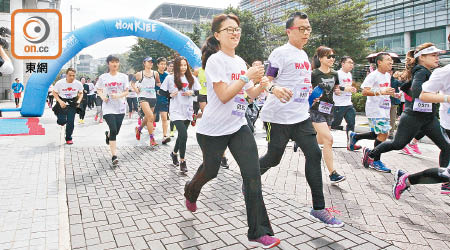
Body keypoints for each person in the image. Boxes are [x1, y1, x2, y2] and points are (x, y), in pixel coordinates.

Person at [184, 14, 281, 248]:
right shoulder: (215, 61)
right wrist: (248, 76)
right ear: (217, 35)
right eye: (229, 30)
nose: (235, 33)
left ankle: (259, 231)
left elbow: (248, 95)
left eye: (237, 29)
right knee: (211, 171)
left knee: (252, 174)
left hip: (238, 127)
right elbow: (225, 96)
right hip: (212, 131)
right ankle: (191, 190)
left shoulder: (239, 61)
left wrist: (262, 86)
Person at [259, 12, 344, 227]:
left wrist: (311, 96)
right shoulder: (280, 53)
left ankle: (318, 208)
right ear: (289, 31)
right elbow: (264, 79)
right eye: (302, 29)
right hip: (276, 118)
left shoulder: (304, 57)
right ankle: (250, 177)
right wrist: (274, 88)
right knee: (274, 158)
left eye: (308, 29)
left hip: (300, 117)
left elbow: (301, 87)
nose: (306, 32)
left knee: (314, 154)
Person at [361, 44, 450, 173]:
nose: (437, 58)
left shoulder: (424, 71)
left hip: (428, 118)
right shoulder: (421, 71)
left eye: (437, 55)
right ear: (422, 58)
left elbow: (407, 87)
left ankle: (445, 180)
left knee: (447, 147)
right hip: (413, 117)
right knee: (397, 144)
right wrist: (443, 97)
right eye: (433, 55)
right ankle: (371, 153)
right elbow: (418, 93)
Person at [309, 46, 356, 184]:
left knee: (321, 140)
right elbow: (307, 89)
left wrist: (343, 89)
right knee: (329, 139)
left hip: (329, 109)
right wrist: (312, 96)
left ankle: (302, 141)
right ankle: (332, 173)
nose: (332, 59)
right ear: (320, 58)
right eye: (329, 56)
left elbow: (335, 88)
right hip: (315, 110)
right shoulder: (314, 74)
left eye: (333, 56)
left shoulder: (334, 74)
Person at [347, 53, 397, 172]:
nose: (391, 62)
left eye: (391, 61)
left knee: (379, 134)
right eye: (388, 60)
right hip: (375, 109)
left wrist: (392, 94)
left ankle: (356, 136)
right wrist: (381, 91)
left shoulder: (387, 76)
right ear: (379, 62)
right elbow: (365, 91)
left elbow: (384, 91)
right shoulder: (374, 75)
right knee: (383, 133)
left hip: (384, 108)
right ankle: (375, 160)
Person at [161, 56, 200, 172]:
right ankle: (183, 161)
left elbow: (197, 91)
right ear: (176, 66)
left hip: (187, 110)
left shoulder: (191, 78)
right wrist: (170, 95)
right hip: (175, 110)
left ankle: (174, 153)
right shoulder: (170, 78)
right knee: (184, 134)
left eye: (185, 65)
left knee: (182, 136)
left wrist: (191, 92)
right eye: (180, 65)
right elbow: (162, 91)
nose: (183, 67)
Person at [96, 55, 129, 166]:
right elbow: (99, 89)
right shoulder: (103, 77)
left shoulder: (123, 77)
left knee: (115, 131)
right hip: (108, 107)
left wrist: (118, 95)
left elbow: (126, 92)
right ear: (108, 64)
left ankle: (108, 134)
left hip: (120, 107)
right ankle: (114, 156)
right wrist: (102, 97)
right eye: (112, 62)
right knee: (114, 129)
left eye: (116, 62)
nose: (115, 64)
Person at [330, 56, 362, 151]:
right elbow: (332, 87)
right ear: (342, 64)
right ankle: (314, 133)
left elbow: (347, 87)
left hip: (348, 103)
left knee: (351, 123)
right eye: (349, 62)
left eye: (352, 63)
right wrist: (344, 89)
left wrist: (352, 89)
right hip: (338, 104)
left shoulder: (349, 75)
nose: (351, 65)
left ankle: (351, 144)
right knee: (334, 124)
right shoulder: (337, 74)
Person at [133, 57, 160, 146]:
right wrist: (136, 89)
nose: (151, 63)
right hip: (143, 97)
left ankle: (139, 129)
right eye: (148, 62)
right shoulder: (139, 74)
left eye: (152, 62)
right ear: (144, 63)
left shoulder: (155, 73)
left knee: (148, 118)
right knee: (151, 117)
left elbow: (158, 83)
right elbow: (132, 83)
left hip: (153, 97)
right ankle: (152, 139)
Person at [52, 68, 83, 144]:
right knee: (61, 121)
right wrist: (60, 101)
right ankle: (61, 120)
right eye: (70, 75)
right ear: (66, 75)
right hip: (62, 101)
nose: (72, 77)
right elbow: (54, 93)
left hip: (72, 103)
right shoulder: (60, 83)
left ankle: (68, 138)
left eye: (73, 76)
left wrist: (78, 101)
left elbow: (81, 93)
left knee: (71, 121)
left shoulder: (78, 84)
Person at [154, 57, 171, 144]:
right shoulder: (153, 74)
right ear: (157, 64)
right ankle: (140, 128)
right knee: (151, 119)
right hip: (153, 99)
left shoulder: (167, 75)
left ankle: (164, 136)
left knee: (164, 118)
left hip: (164, 99)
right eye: (161, 64)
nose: (163, 66)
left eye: (164, 64)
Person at [389, 70, 402, 138]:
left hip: (393, 102)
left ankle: (390, 133)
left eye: (390, 71)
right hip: (383, 103)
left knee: (392, 118)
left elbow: (402, 85)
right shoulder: (382, 79)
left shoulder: (395, 81)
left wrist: (401, 77)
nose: (389, 73)